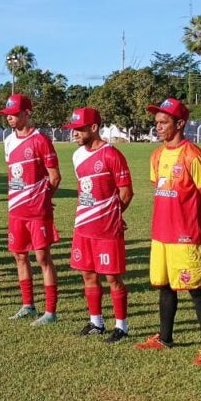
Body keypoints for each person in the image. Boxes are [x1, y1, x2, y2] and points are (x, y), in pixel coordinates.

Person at [135, 98, 201, 367]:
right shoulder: (157, 155)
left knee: (196, 290)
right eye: (156, 122)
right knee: (165, 286)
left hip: (186, 237)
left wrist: (200, 233)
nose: (157, 127)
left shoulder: (194, 156)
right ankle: (165, 338)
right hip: (161, 234)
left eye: (163, 122)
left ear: (180, 123)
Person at [63, 107, 134, 343]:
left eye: (79, 129)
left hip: (106, 230)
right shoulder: (76, 156)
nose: (74, 133)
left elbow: (126, 192)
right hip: (83, 226)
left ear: (94, 128)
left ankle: (122, 327)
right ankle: (96, 322)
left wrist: (113, 214)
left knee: (112, 277)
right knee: (88, 274)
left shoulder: (112, 154)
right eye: (73, 129)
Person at [0, 94, 63, 325]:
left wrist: (44, 198)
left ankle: (50, 312)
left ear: (27, 113)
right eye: (8, 115)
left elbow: (55, 177)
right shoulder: (7, 141)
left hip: (37, 213)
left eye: (15, 114)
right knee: (19, 256)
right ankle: (28, 305)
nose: (10, 119)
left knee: (42, 258)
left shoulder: (41, 140)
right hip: (16, 211)